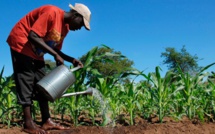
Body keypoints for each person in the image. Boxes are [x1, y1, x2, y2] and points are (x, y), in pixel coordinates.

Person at [6, 3, 91, 134]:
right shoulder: (52, 12)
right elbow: (32, 36)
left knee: (43, 83)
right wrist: (55, 55)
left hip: (37, 52)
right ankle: (28, 123)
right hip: (22, 43)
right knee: (26, 81)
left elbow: (55, 48)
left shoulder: (65, 29)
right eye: (81, 24)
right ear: (75, 15)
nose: (80, 28)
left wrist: (71, 59)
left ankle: (46, 121)